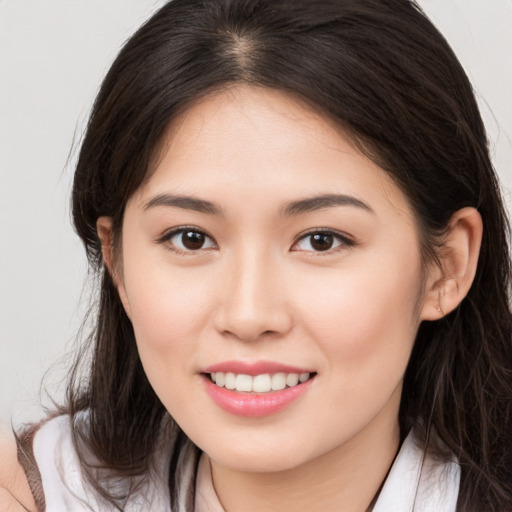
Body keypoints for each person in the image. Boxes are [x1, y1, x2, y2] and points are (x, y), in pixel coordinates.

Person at [1, 0, 511, 510]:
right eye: (191, 238)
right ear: (118, 264)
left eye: (321, 240)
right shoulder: (31, 493)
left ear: (446, 265)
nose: (248, 316)